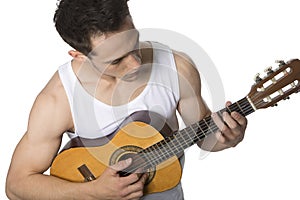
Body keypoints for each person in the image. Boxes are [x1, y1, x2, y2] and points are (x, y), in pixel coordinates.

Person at [6, 0, 247, 199]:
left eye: (134, 44)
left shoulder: (178, 68)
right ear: (79, 56)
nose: (135, 63)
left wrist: (227, 137)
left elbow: (205, 139)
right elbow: (16, 185)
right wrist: (93, 192)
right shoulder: (58, 100)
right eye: (115, 60)